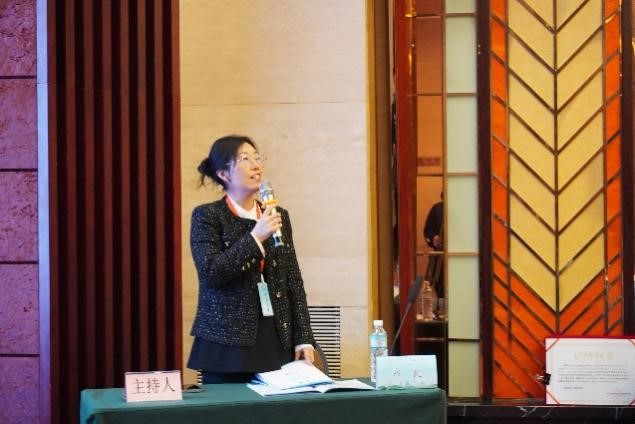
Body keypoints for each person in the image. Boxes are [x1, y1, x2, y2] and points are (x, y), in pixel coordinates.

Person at [187, 135, 315, 384]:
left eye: (257, 158)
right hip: (226, 346)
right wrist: (256, 237)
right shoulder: (207, 216)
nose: (256, 165)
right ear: (223, 174)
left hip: (276, 339)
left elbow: (292, 280)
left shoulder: (277, 215)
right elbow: (212, 273)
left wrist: (303, 338)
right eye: (245, 159)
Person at [423, 192, 444, 299]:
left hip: (462, 257)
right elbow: (428, 230)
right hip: (441, 255)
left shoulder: (465, 209)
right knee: (441, 289)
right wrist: (434, 238)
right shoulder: (437, 209)